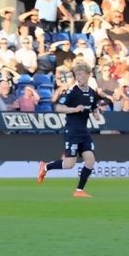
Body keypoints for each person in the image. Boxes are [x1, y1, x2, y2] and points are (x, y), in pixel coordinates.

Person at [36, 63, 100, 197]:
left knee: (90, 160)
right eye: (77, 75)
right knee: (70, 164)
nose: (79, 77)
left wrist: (96, 112)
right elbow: (58, 107)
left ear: (88, 75)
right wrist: (74, 109)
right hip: (72, 131)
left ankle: (79, 190)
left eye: (82, 74)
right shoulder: (72, 92)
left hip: (84, 132)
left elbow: (94, 106)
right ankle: (46, 167)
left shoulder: (93, 93)